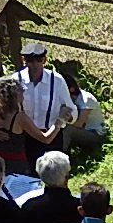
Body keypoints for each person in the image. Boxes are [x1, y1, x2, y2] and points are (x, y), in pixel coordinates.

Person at [10, 41, 74, 170]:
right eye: (30, 61)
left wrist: (68, 116)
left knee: (53, 173)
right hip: (25, 137)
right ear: (23, 60)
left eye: (39, 60)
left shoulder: (56, 80)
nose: (35, 65)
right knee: (28, 174)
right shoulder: (16, 79)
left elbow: (70, 108)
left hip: (51, 135)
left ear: (44, 60)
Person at [0, 77, 41, 174]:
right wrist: (58, 122)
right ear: (14, 94)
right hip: (15, 165)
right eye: (20, 90)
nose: (23, 92)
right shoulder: (20, 118)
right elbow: (45, 139)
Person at [58, 59, 107, 157]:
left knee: (67, 129)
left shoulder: (86, 99)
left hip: (94, 134)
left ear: (71, 89)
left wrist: (60, 122)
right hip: (82, 132)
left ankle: (60, 156)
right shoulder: (68, 100)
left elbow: (79, 124)